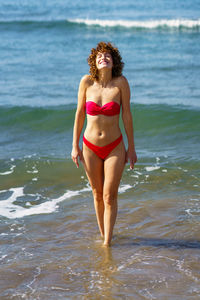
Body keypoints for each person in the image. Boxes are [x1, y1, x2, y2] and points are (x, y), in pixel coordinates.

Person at [71, 41, 137, 247]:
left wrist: (131, 148)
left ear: (114, 61)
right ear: (94, 61)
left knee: (109, 195)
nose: (104, 58)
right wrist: (75, 145)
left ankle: (107, 243)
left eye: (108, 55)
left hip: (114, 147)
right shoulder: (86, 83)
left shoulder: (121, 83)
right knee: (97, 194)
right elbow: (80, 114)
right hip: (90, 146)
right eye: (100, 56)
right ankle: (103, 235)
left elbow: (127, 115)